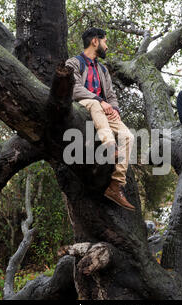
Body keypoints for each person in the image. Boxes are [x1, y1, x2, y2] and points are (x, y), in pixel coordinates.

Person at [66, 27, 135, 211]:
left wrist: (115, 109)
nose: (107, 45)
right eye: (105, 41)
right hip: (82, 105)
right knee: (96, 104)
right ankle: (109, 145)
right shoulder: (73, 63)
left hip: (103, 110)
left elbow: (111, 95)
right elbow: (73, 88)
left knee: (128, 137)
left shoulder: (102, 69)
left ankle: (116, 185)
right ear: (95, 41)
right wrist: (100, 101)